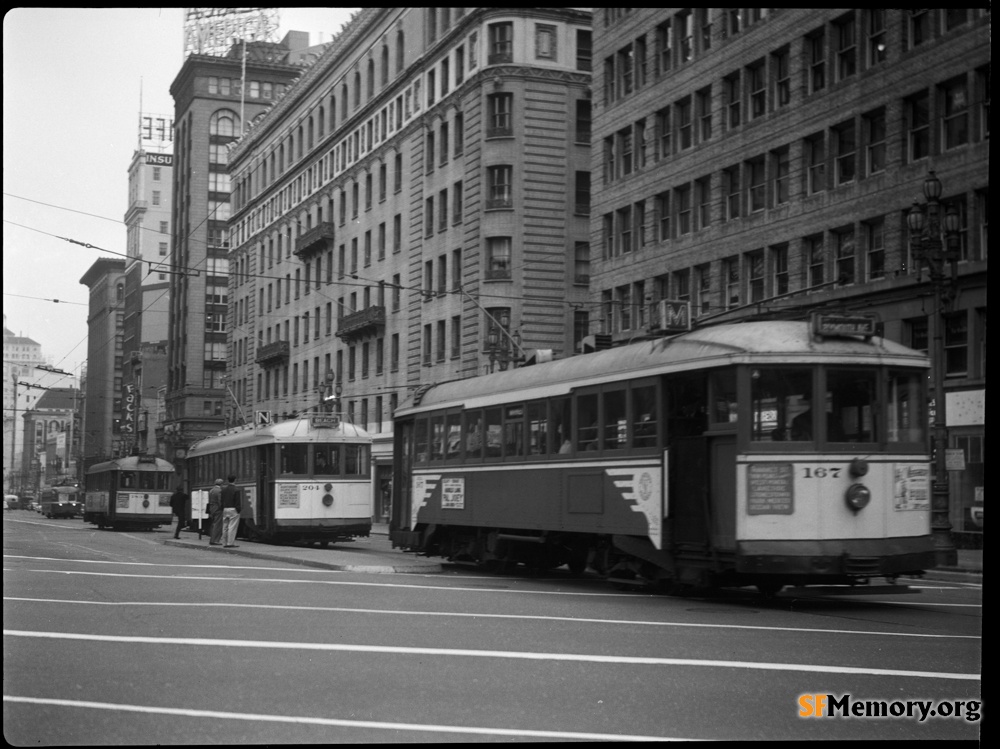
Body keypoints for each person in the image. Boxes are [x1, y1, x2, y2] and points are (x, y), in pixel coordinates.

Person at [220, 474, 243, 548]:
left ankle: (224, 543)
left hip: (225, 509)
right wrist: (238, 510)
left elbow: (221, 500)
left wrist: (222, 508)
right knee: (232, 527)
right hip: (233, 509)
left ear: (228, 480)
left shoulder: (223, 489)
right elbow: (237, 501)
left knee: (225, 527)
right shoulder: (236, 490)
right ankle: (230, 543)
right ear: (235, 480)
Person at [207, 478, 224, 545]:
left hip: (212, 508)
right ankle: (215, 540)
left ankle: (212, 539)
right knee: (218, 525)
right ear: (221, 484)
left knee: (213, 524)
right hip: (217, 508)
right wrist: (222, 508)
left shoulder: (211, 490)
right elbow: (220, 501)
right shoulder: (219, 491)